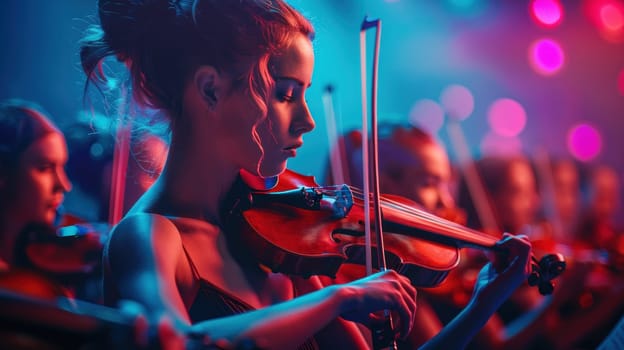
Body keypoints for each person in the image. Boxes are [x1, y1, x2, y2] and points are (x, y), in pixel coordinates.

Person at [80, 0, 533, 348]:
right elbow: (176, 341)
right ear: (210, 90)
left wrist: (482, 304)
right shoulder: (148, 236)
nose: (308, 120)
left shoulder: (272, 235)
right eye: (285, 94)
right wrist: (340, 298)